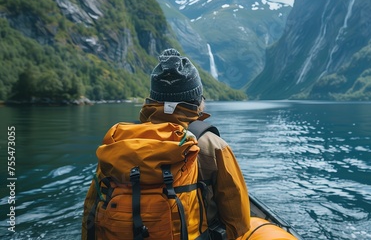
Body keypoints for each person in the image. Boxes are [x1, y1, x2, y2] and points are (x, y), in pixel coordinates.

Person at [82, 48, 251, 240]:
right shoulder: (212, 145)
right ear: (197, 101)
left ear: (153, 99)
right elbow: (239, 222)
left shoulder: (117, 143)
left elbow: (91, 209)